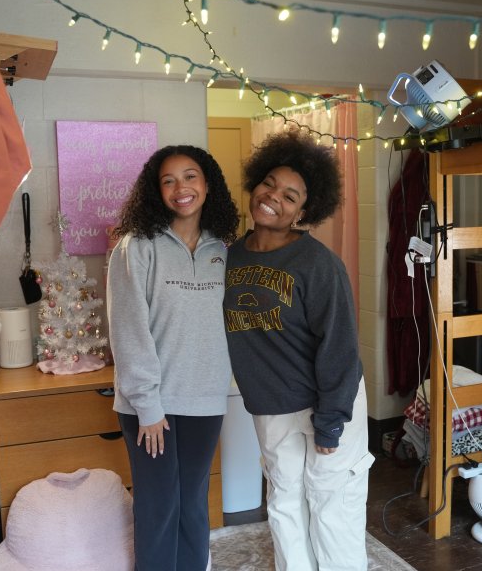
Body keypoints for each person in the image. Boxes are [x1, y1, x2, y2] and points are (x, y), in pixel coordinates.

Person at [223, 130, 373, 570]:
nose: (274, 197)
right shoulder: (229, 258)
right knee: (284, 503)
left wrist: (330, 422)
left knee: (332, 507)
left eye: (291, 196)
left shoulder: (318, 264)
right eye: (269, 183)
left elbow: (340, 346)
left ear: (304, 211)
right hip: (271, 406)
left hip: (327, 400)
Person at [107, 145, 239, 571]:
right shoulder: (137, 247)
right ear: (155, 190)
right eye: (168, 180)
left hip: (204, 399)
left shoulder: (224, 249)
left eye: (190, 176)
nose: (181, 188)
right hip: (152, 406)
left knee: (192, 503)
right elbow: (129, 328)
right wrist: (147, 405)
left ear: (207, 184)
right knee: (159, 506)